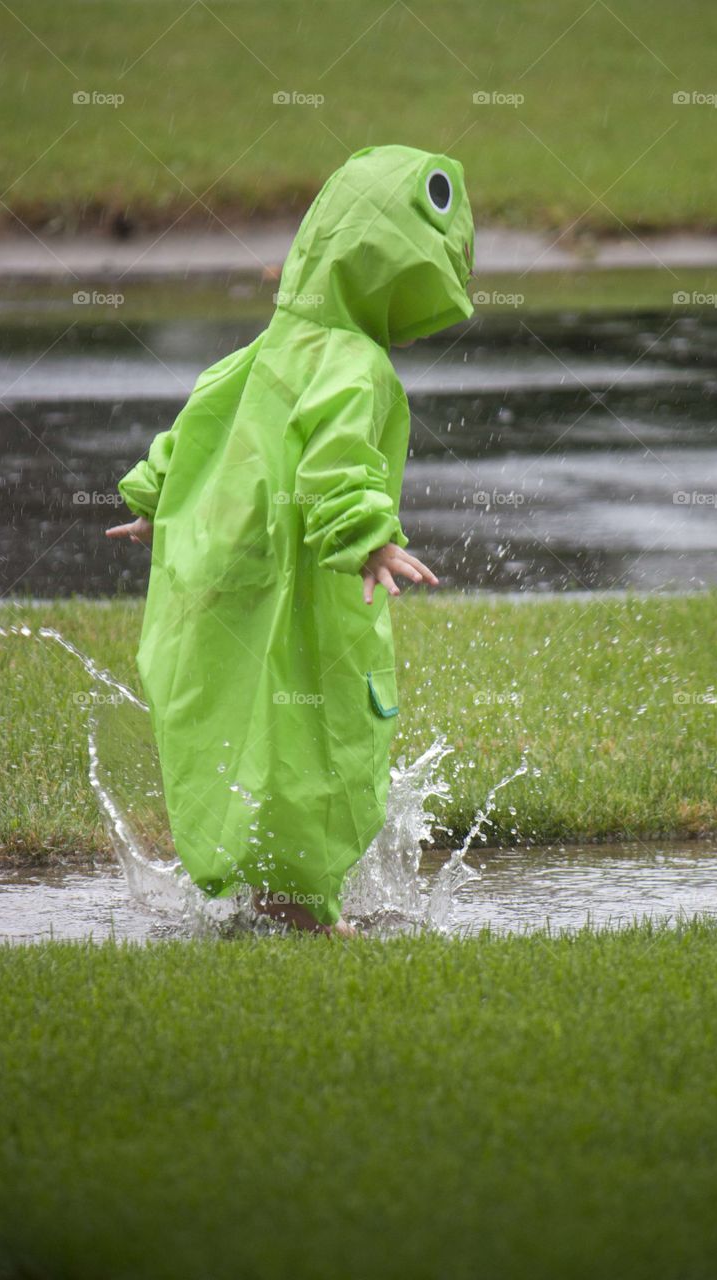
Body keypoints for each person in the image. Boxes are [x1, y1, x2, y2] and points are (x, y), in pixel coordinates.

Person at [106, 144, 476, 936]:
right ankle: (308, 917)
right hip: (306, 584)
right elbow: (335, 455)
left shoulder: (263, 348)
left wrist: (153, 499)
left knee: (246, 728)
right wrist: (368, 536)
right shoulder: (356, 363)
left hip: (231, 586)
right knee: (314, 735)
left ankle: (265, 900)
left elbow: (196, 424)